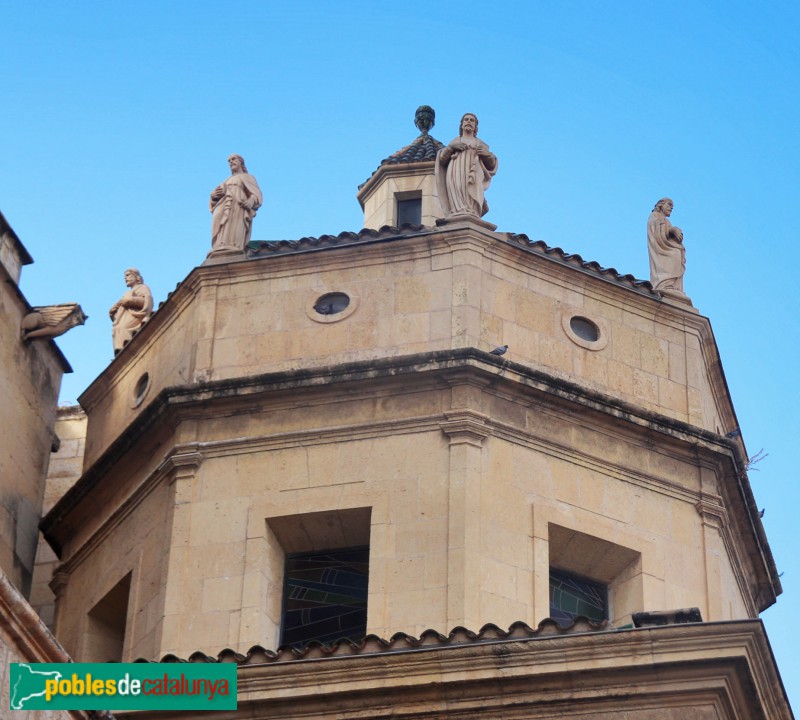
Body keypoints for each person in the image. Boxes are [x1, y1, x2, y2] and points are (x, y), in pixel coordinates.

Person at [435, 113, 497, 218]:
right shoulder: (456, 141)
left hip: (473, 173)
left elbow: (491, 165)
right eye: (466, 119)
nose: (468, 121)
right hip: (456, 171)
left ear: (475, 127)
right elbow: (442, 159)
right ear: (462, 124)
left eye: (472, 120)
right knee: (458, 188)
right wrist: (451, 148)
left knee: (472, 191)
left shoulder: (480, 143)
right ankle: (458, 210)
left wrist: (487, 155)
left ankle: (472, 210)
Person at [210, 154, 262, 253]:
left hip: (238, 205)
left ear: (240, 162)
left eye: (233, 159)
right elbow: (215, 195)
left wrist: (251, 200)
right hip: (224, 204)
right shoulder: (226, 180)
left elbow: (256, 193)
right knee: (221, 222)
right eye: (229, 161)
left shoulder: (248, 177)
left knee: (235, 223)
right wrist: (213, 196)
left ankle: (234, 245)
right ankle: (219, 245)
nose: (231, 162)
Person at [647, 198, 686, 296]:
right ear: (661, 204)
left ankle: (673, 286)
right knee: (674, 253)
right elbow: (657, 234)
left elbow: (666, 231)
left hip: (667, 246)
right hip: (661, 248)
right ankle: (665, 285)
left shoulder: (666, 220)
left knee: (677, 252)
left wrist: (674, 230)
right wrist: (672, 230)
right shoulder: (655, 215)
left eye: (672, 206)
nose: (671, 208)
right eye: (669, 205)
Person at [109, 268, 153, 354]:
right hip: (124, 317)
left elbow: (147, 301)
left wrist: (131, 300)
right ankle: (120, 352)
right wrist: (112, 311)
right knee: (117, 328)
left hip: (135, 315)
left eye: (128, 275)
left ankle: (128, 352)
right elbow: (120, 307)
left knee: (123, 328)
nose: (125, 278)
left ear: (136, 277)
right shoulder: (127, 293)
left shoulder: (143, 287)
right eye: (124, 276)